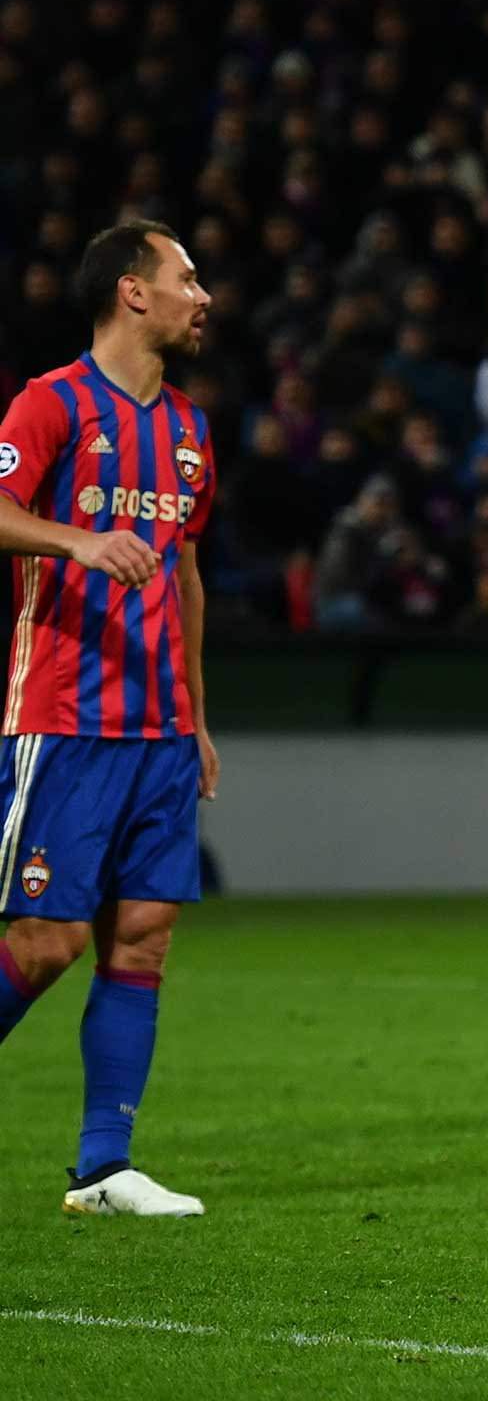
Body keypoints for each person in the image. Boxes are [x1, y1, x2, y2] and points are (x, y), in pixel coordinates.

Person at [0, 220, 219, 1216]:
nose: (201, 295)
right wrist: (77, 543)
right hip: (67, 717)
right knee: (47, 943)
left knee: (144, 937)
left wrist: (200, 717)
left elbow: (186, 571)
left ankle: (103, 1166)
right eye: (185, 277)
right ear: (133, 291)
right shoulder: (51, 403)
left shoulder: (188, 430)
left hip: (160, 731)